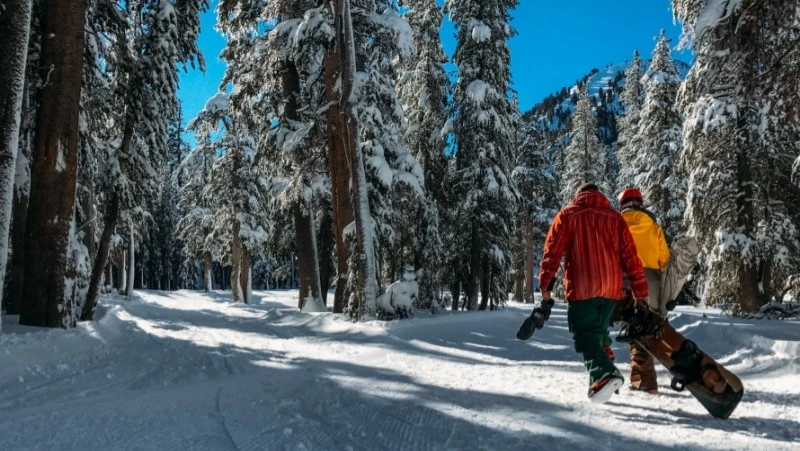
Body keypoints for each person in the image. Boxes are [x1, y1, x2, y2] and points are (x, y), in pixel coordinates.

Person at [538, 183, 648, 403]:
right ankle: (603, 365)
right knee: (597, 331)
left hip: (582, 287)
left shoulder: (568, 215)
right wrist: (640, 292)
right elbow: (631, 258)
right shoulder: (615, 218)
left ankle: (604, 374)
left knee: (584, 335)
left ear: (579, 196)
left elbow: (552, 252)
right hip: (611, 290)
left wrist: (545, 285)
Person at [617, 188, 670, 394]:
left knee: (635, 331)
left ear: (622, 204)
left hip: (628, 281)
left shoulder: (616, 224)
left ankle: (644, 381)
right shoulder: (654, 226)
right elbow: (664, 259)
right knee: (650, 328)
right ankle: (649, 375)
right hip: (653, 282)